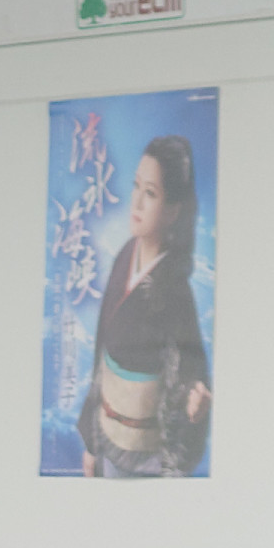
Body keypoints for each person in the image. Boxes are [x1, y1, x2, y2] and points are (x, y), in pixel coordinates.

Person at [78, 135, 212, 477]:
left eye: (150, 193)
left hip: (142, 457)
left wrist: (194, 400)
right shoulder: (127, 254)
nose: (136, 201)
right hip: (106, 436)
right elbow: (101, 350)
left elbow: (191, 371)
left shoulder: (174, 290)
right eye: (136, 186)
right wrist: (91, 444)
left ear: (173, 210)